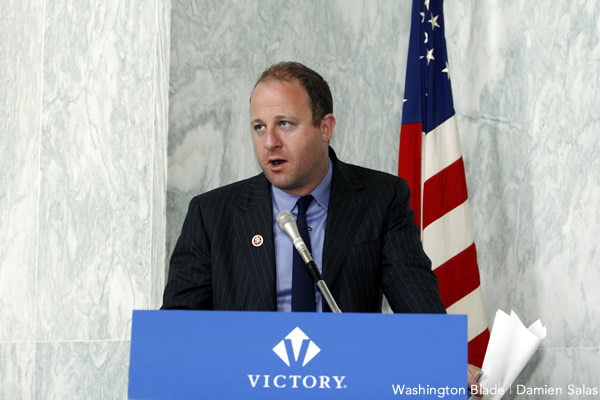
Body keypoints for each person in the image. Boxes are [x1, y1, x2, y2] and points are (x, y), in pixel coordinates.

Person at [161, 61, 481, 391]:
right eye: (259, 127)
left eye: (284, 124)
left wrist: (444, 359)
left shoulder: (380, 199)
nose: (269, 141)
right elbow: (176, 335)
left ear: (324, 127)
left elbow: (416, 303)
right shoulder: (212, 214)